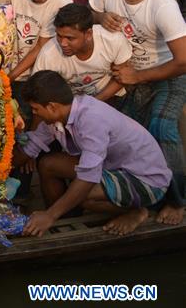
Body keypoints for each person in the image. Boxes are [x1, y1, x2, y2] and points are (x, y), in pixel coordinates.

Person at [90, 0, 186, 224]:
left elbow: (183, 61)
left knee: (161, 128)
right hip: (129, 76)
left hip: (167, 75)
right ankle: (139, 201)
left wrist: (138, 76)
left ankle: (177, 201)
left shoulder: (162, 4)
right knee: (126, 135)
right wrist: (101, 17)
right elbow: (90, 11)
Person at [17, 70, 171, 237]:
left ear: (52, 106)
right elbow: (31, 145)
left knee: (84, 196)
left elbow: (88, 177)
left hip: (144, 179)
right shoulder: (58, 116)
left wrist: (49, 215)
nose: (34, 113)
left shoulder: (91, 118)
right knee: (48, 164)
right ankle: (64, 219)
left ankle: (137, 211)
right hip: (111, 168)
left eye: (35, 109)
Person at [33, 3, 130, 103]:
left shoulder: (113, 40)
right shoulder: (48, 54)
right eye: (59, 36)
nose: (63, 43)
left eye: (70, 38)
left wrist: (93, 103)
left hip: (109, 97)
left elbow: (122, 78)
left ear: (88, 34)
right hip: (69, 105)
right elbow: (39, 92)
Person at [8, 0, 73, 96]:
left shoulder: (62, 2)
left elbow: (41, 46)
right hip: (7, 67)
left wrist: (10, 77)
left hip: (33, 75)